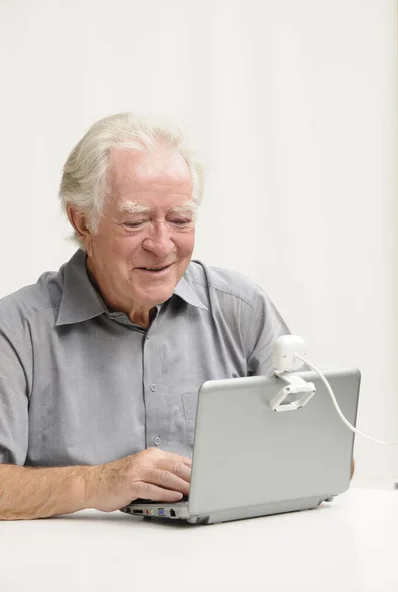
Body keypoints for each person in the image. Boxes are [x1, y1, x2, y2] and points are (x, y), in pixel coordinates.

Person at [0, 112, 296, 520]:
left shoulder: (240, 307)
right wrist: (98, 483)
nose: (162, 245)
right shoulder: (16, 331)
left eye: (180, 220)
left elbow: (326, 455)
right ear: (82, 220)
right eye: (135, 222)